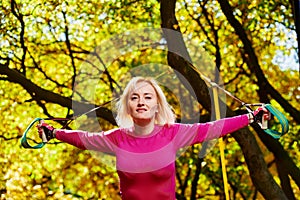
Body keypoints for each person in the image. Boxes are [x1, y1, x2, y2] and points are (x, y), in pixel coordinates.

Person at [38, 76, 270, 200]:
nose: (141, 102)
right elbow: (83, 138)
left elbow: (213, 127)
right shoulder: (117, 138)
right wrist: (53, 133)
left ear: (157, 104)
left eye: (148, 97)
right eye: (135, 97)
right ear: (128, 105)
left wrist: (251, 117)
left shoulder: (173, 133)